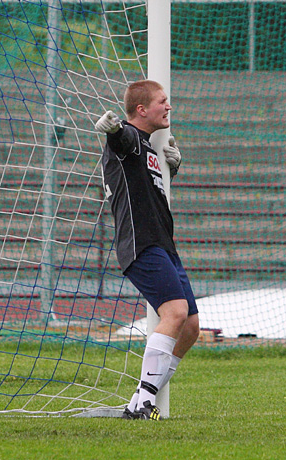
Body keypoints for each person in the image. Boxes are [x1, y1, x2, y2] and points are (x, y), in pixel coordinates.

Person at [95, 80, 200, 419]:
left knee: (191, 326)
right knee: (175, 313)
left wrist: (171, 170)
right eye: (162, 102)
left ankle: (140, 397)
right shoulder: (130, 140)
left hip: (163, 244)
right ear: (142, 109)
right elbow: (121, 138)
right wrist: (113, 130)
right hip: (141, 243)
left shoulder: (149, 148)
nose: (168, 107)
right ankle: (143, 403)